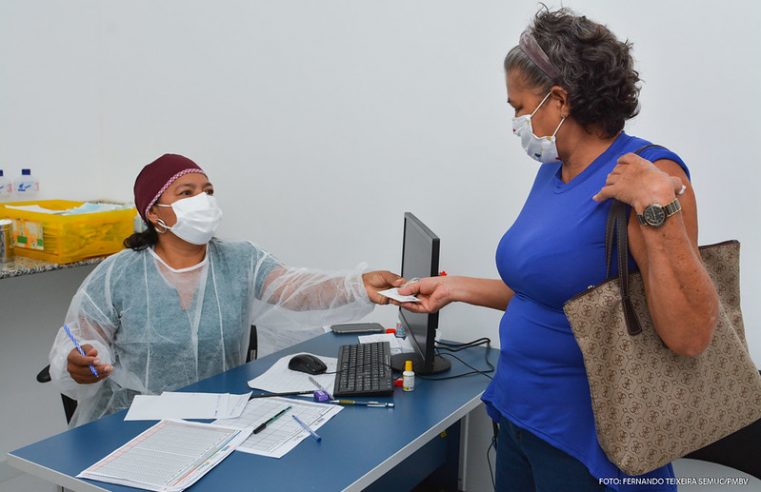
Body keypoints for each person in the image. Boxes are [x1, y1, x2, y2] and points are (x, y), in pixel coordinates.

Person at [397, 8, 719, 492]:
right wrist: (453, 288)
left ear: (559, 100)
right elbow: (553, 293)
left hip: (592, 446)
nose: (515, 121)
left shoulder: (649, 173)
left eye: (518, 106)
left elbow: (691, 336)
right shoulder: (553, 169)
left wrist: (657, 208)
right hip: (521, 418)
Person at [49, 153, 402, 427]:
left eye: (208, 191)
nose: (202, 199)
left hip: (219, 415)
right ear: (154, 212)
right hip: (131, 418)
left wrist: (357, 284)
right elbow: (83, 338)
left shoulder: (240, 259)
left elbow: (296, 288)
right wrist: (81, 363)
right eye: (186, 193)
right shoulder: (118, 273)